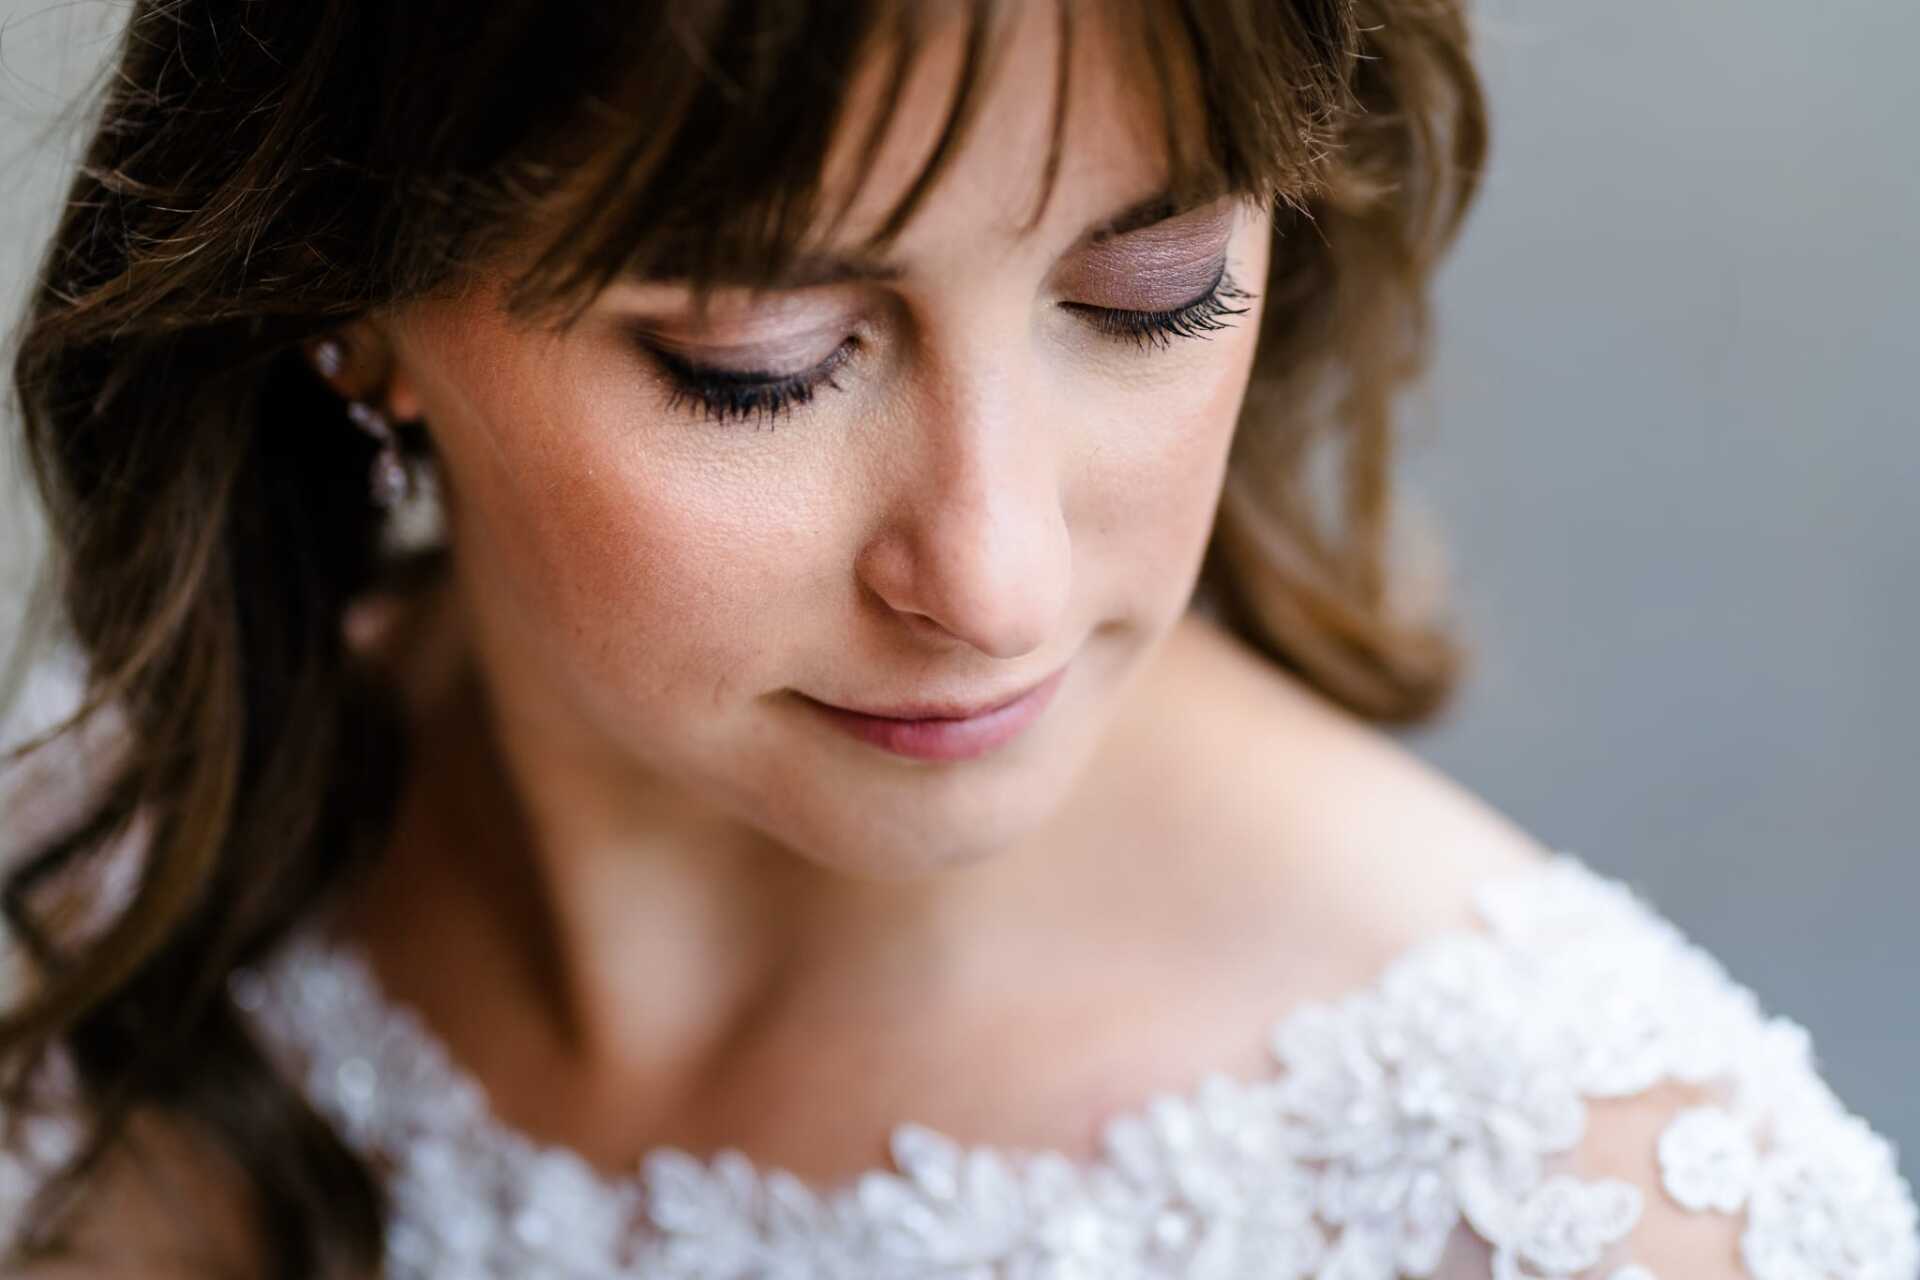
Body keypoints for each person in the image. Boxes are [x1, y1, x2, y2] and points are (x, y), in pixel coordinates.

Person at [0, 0, 1912, 1276]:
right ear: (349, 304)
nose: (994, 584)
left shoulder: (1599, 1206)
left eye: (1155, 293)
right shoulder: (101, 877)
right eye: (760, 363)